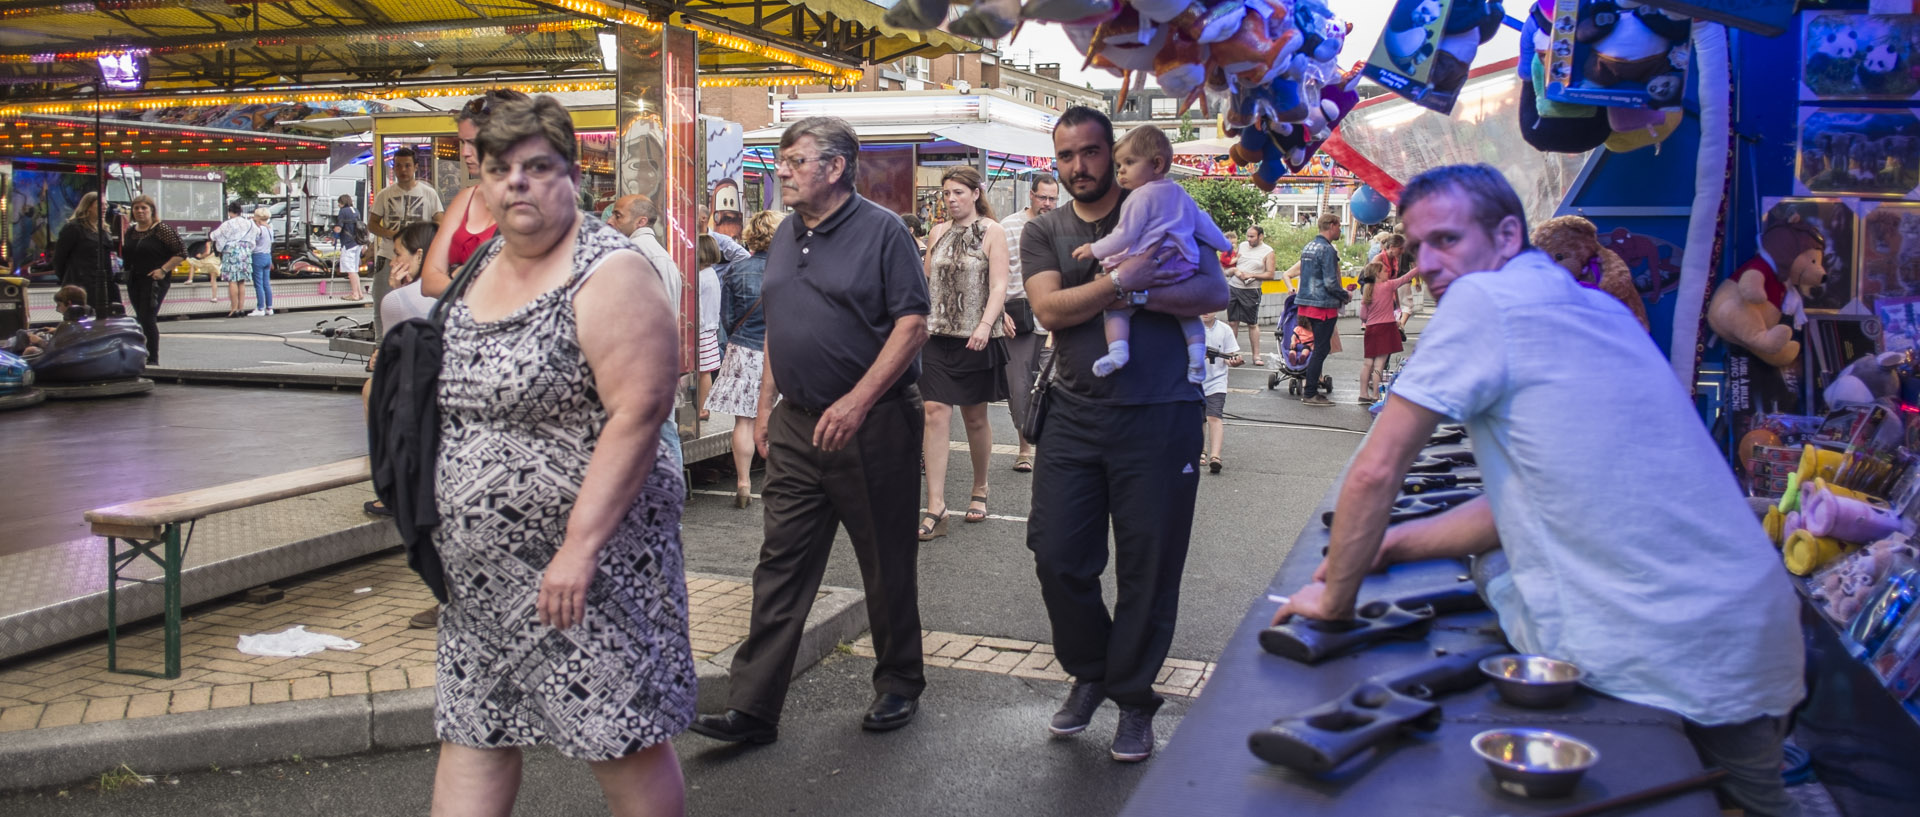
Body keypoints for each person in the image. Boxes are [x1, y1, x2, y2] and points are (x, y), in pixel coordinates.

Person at [1274, 164, 1805, 817]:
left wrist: (1334, 597)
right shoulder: (1598, 312)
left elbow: (1378, 467)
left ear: (1505, 235)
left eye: (1447, 240)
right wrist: (1387, 546)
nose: (1430, 263)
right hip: (1749, 627)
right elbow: (1533, 500)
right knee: (1753, 800)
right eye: (1417, 248)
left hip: (1660, 645)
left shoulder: (1484, 299)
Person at [426, 95, 691, 817]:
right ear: (479, 180)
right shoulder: (480, 261)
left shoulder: (609, 273)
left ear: (572, 175)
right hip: (483, 580)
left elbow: (640, 413)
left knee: (621, 737)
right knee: (473, 728)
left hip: (587, 573)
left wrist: (579, 546)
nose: (517, 182)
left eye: (537, 167)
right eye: (499, 167)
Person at [690, 116, 931, 744]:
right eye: (783, 161)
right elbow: (780, 324)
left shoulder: (883, 233)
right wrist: (769, 404)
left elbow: (912, 326)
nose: (784, 172)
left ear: (836, 166)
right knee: (780, 566)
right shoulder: (787, 233)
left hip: (871, 422)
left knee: (885, 562)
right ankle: (754, 708)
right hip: (797, 424)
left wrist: (855, 402)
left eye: (796, 161)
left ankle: (899, 681)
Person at [1022, 105, 1228, 762]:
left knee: (1150, 567)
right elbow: (1050, 308)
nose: (1078, 166)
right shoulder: (1044, 229)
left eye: (1089, 152)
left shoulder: (1160, 202)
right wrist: (1124, 280)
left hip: (1161, 415)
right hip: (1074, 417)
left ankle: (1134, 699)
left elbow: (1213, 289)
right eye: (1065, 156)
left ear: (1113, 152)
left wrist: (1125, 295)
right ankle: (1093, 669)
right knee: (1056, 555)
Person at [1072, 126, 1226, 384]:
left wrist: (1094, 249)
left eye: (1129, 163)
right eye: (1119, 164)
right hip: (1183, 264)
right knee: (1187, 312)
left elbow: (1125, 235)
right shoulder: (1181, 194)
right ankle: (1197, 358)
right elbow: (1204, 224)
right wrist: (1225, 244)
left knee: (1117, 309)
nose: (1120, 170)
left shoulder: (1139, 197)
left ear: (1156, 164)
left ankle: (1118, 352)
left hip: (1146, 265)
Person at [917, 165, 1010, 540]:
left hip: (976, 337)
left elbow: (1000, 285)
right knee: (934, 412)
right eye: (947, 193)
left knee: (974, 419)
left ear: (975, 193)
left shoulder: (993, 231)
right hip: (936, 336)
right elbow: (924, 282)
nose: (951, 199)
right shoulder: (937, 232)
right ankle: (936, 506)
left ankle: (980, 488)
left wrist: (987, 325)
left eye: (958, 192)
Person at [703, 210, 785, 509]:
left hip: (742, 350)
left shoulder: (737, 270)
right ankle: (778, 481)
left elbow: (726, 317)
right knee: (780, 418)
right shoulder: (790, 271)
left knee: (744, 421)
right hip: (779, 350)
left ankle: (743, 483)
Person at [996, 175, 1058, 473]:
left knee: (1055, 387)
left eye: (1052, 198)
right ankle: (1024, 446)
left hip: (1052, 318)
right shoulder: (1008, 226)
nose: (1047, 203)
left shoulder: (1061, 227)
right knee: (1018, 388)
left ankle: (1048, 448)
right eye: (1042, 197)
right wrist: (999, 313)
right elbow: (996, 276)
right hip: (1017, 317)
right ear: (1031, 196)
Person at [369, 145, 443, 335]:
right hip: (388, 256)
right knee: (382, 301)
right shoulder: (384, 195)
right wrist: (390, 233)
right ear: (393, 168)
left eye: (407, 166)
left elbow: (440, 221)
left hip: (420, 259)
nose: (403, 170)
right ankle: (380, 347)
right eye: (399, 166)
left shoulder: (429, 193)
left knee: (421, 299)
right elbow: (372, 224)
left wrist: (426, 238)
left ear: (416, 167)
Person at [120, 195, 185, 365]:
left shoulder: (161, 229)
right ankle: (141, 354)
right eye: (136, 208)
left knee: (147, 317)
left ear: (151, 210)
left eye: (144, 208)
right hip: (134, 279)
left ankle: (153, 358)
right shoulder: (131, 231)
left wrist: (163, 270)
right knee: (140, 318)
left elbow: (181, 253)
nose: (140, 211)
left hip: (154, 280)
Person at [1295, 212, 1344, 406]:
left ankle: (1310, 390)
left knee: (1317, 348)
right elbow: (1331, 283)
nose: (1340, 229)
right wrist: (1344, 295)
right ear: (1332, 225)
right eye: (1339, 226)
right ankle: (1310, 392)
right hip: (1323, 305)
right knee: (1321, 349)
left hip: (1307, 303)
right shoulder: (1327, 249)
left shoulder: (1309, 246)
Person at [53, 191, 120, 316]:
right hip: (82, 283)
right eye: (100, 204)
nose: (105, 207)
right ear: (88, 206)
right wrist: (68, 280)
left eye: (106, 204)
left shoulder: (104, 230)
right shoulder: (74, 228)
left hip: (105, 283)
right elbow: (59, 258)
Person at [1358, 258, 1416, 403]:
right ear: (1377, 274)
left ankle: (1363, 393)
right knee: (1379, 365)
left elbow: (1363, 315)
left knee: (1367, 364)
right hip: (1386, 328)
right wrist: (1419, 267)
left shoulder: (1367, 291)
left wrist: (1370, 319)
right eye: (1384, 271)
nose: (1387, 272)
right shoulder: (1388, 285)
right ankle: (1375, 395)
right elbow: (1406, 278)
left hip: (1371, 329)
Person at [1226, 225, 1275, 365]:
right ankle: (1231, 353)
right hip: (1234, 286)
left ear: (1261, 236)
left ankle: (1256, 356)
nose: (1249, 239)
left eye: (1252, 236)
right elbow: (1232, 262)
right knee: (1232, 322)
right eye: (1247, 236)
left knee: (1252, 323)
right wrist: (1232, 269)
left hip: (1251, 290)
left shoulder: (1268, 251)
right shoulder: (1242, 246)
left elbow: (1270, 274)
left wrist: (1251, 275)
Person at [1200, 311, 1241, 473]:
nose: (1206, 312)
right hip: (1194, 381)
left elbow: (1229, 356)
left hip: (1217, 382)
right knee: (1198, 419)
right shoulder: (1190, 327)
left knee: (1214, 417)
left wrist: (1234, 361)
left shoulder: (1225, 330)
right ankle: (1201, 450)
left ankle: (1215, 456)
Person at [210, 201, 256, 318]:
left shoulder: (228, 224)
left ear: (230, 211)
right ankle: (241, 308)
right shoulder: (248, 223)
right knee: (241, 281)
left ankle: (233, 309)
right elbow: (257, 233)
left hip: (232, 252)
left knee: (232, 281)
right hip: (245, 251)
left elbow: (214, 235)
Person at [695, 234, 724, 421]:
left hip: (702, 328)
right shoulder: (711, 273)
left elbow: (697, 307)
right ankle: (703, 407)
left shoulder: (700, 277)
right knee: (704, 370)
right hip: (710, 327)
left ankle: (703, 408)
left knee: (703, 371)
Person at [247, 208, 275, 316]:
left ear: (258, 217)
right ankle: (269, 307)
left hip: (258, 256)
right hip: (267, 256)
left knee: (258, 284)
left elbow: (253, 243)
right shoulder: (270, 228)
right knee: (266, 283)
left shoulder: (259, 229)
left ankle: (260, 308)